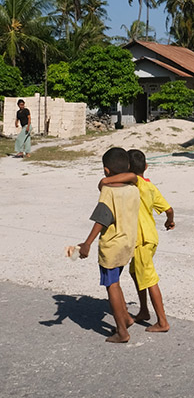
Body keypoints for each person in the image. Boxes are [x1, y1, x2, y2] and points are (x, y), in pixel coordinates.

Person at [100, 148, 174, 333]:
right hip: (149, 237)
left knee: (148, 279)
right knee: (137, 274)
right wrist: (169, 221)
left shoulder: (136, 184)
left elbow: (130, 179)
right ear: (147, 166)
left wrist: (105, 181)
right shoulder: (150, 186)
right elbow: (168, 209)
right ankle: (143, 310)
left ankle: (163, 322)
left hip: (141, 239)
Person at [77, 147, 140, 344]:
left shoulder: (108, 192)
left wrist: (87, 244)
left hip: (111, 247)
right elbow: (133, 177)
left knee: (111, 286)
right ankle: (126, 319)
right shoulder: (134, 188)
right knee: (116, 283)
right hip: (128, 243)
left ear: (106, 170)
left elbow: (102, 219)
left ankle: (122, 332)